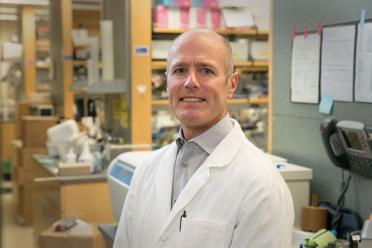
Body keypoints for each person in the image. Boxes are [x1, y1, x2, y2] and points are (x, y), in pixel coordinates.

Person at [113, 29, 294, 248]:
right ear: (167, 81)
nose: (190, 82)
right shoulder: (146, 171)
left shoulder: (263, 185)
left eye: (206, 70)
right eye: (180, 70)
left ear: (232, 84)